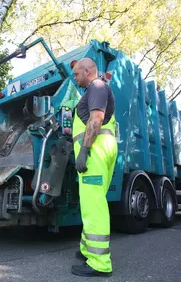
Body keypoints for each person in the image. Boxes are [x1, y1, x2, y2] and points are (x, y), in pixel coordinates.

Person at [71, 58, 118, 277]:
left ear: (88, 71)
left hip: (95, 151)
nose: (75, 78)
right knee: (92, 202)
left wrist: (84, 151)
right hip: (100, 150)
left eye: (77, 74)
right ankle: (86, 250)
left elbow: (96, 119)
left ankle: (99, 263)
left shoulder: (97, 86)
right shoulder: (94, 89)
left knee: (94, 205)